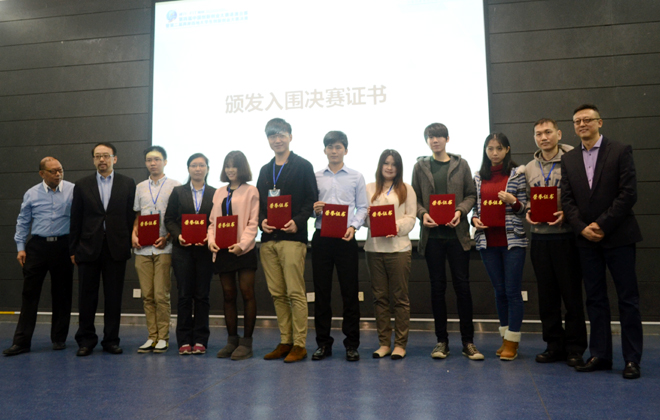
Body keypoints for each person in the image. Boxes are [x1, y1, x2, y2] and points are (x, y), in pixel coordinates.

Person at [561, 104, 643, 379]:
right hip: (586, 240)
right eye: (577, 121)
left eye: (587, 119)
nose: (582, 124)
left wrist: (602, 224)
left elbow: (628, 194)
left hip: (618, 236)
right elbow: (567, 200)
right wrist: (582, 228)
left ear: (600, 122)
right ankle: (600, 355)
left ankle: (631, 359)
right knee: (595, 299)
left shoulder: (620, 150)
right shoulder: (569, 159)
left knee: (627, 300)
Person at [411, 123, 482, 360]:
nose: (435, 140)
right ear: (427, 141)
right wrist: (423, 214)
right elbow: (414, 198)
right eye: (431, 137)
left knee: (463, 288)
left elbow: (471, 194)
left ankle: (468, 342)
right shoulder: (420, 166)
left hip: (457, 237)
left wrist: (460, 211)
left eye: (439, 136)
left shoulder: (461, 164)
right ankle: (441, 341)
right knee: (437, 289)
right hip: (432, 238)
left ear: (447, 139)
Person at [525, 119, 587, 366]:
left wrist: (569, 216)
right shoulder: (529, 167)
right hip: (540, 238)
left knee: (571, 295)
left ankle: (575, 347)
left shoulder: (574, 159)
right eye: (538, 134)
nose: (543, 137)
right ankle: (553, 345)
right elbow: (526, 198)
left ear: (559, 134)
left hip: (567, 237)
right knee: (547, 296)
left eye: (548, 132)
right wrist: (528, 210)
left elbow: (584, 195)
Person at [256, 118, 318, 363]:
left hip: (293, 238)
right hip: (268, 240)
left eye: (281, 135)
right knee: (277, 294)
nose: (277, 140)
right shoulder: (265, 170)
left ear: (290, 136)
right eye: (272, 136)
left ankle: (299, 344)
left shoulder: (303, 166)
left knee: (295, 293)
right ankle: (285, 341)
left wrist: (298, 221)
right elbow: (259, 204)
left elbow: (311, 201)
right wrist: (261, 221)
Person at [70, 143, 136, 356]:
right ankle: (86, 340)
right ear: (93, 160)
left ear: (114, 159)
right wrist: (73, 249)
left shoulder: (127, 183)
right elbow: (76, 218)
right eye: (98, 156)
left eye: (106, 156)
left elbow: (130, 216)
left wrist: (128, 242)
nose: (102, 160)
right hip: (88, 247)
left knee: (113, 297)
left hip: (116, 247)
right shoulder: (82, 184)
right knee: (86, 297)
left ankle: (111, 340)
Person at [3, 158, 74, 356]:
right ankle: (21, 342)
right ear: (42, 173)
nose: (58, 174)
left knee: (62, 294)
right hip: (37, 247)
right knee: (29, 294)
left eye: (60, 170)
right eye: (53, 171)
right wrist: (20, 247)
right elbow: (23, 221)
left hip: (63, 246)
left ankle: (59, 338)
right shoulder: (32, 193)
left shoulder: (73, 190)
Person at [311, 131, 368, 362]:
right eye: (330, 147)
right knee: (321, 293)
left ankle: (351, 344)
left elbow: (363, 207)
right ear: (324, 150)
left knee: (350, 292)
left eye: (338, 147)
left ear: (346, 150)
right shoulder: (315, 177)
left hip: (346, 238)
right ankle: (323, 344)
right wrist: (314, 209)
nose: (334, 151)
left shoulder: (356, 176)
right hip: (321, 237)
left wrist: (353, 226)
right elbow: (308, 206)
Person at [472, 133, 527, 361]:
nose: (494, 153)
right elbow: (476, 208)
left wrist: (513, 202)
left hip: (512, 241)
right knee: (499, 291)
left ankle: (512, 342)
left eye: (499, 148)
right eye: (490, 148)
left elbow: (524, 209)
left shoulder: (517, 174)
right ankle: (505, 338)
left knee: (512, 291)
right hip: (487, 241)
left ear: (507, 150)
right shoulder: (478, 177)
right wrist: (474, 219)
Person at [365, 149, 417, 360]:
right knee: (380, 299)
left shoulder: (407, 189)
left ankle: (400, 344)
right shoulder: (369, 188)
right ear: (380, 165)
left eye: (393, 164)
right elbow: (362, 216)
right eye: (386, 163)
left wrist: (395, 227)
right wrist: (371, 219)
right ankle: (384, 343)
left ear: (399, 168)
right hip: (374, 249)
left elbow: (411, 218)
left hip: (399, 249)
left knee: (400, 299)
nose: (389, 167)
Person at [208, 151, 259, 360]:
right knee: (228, 295)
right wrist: (211, 241)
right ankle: (231, 340)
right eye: (227, 166)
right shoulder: (219, 192)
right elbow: (213, 222)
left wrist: (242, 245)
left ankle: (246, 343)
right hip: (223, 250)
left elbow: (253, 223)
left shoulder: (251, 191)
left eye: (234, 166)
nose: (230, 170)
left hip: (244, 250)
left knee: (247, 293)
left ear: (242, 168)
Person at [165, 153, 216, 356]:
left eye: (202, 165)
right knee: (184, 295)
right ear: (188, 169)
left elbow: (217, 221)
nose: (198, 169)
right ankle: (184, 340)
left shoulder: (215, 193)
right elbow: (169, 219)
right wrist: (178, 236)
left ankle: (201, 339)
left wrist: (210, 236)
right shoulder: (178, 192)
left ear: (207, 169)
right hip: (182, 250)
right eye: (194, 165)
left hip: (205, 250)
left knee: (202, 296)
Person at [132, 146, 181, 354]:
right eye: (149, 160)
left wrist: (167, 237)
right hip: (142, 249)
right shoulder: (140, 187)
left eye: (157, 159)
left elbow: (177, 218)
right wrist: (134, 234)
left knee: (161, 295)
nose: (153, 163)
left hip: (164, 247)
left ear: (165, 162)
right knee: (148, 295)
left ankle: (163, 337)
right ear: (145, 163)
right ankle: (151, 336)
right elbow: (137, 215)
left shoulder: (175, 186)